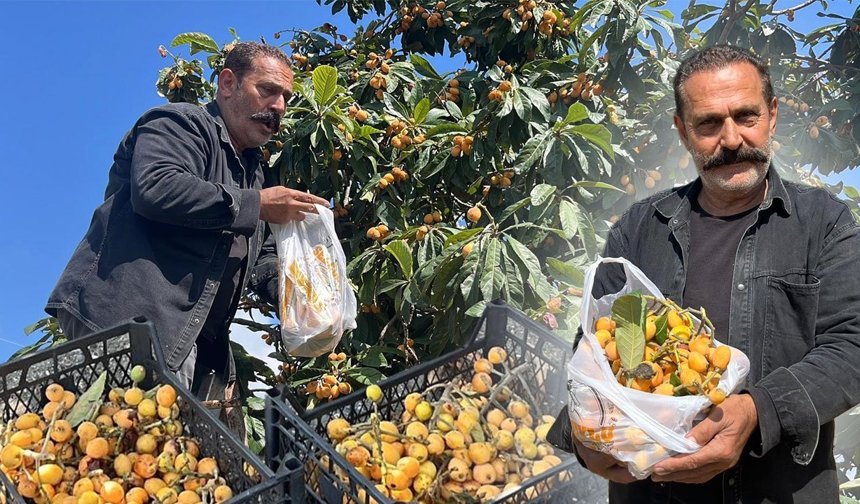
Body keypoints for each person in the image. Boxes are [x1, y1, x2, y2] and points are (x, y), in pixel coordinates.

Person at [548, 44, 860, 503]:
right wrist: (582, 435)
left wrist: (757, 411)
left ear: (772, 115)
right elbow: (595, 353)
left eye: (746, 116)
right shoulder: (638, 229)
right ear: (682, 130)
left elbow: (852, 347)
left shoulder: (823, 222)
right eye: (709, 123)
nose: (731, 139)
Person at [45, 42, 328, 402]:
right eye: (267, 90)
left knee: (171, 453)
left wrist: (298, 295)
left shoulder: (258, 174)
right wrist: (255, 204)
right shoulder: (180, 123)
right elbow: (155, 188)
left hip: (194, 342)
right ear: (228, 83)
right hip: (129, 322)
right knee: (120, 443)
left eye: (285, 96)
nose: (279, 107)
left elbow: (263, 259)